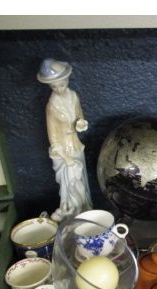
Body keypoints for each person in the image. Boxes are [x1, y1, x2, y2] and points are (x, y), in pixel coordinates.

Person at [37, 58, 92, 222]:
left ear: (67, 80)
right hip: (63, 150)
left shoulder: (74, 96)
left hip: (75, 144)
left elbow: (79, 115)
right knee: (69, 183)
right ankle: (71, 210)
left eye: (61, 84)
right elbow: (53, 136)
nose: (59, 89)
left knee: (81, 178)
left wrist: (80, 122)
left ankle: (84, 207)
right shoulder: (52, 106)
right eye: (54, 86)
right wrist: (66, 159)